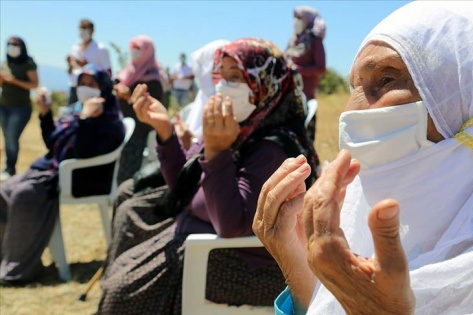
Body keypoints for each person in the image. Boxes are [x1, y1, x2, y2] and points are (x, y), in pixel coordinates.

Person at [253, 1, 473, 314]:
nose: (350, 112)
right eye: (354, 87)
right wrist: (303, 274)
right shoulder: (368, 235)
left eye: (386, 80)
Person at [98, 38, 319, 314]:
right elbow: (187, 186)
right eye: (221, 75)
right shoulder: (240, 126)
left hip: (247, 266)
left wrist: (216, 152)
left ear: (266, 84)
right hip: (204, 238)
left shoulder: (273, 148)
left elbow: (230, 224)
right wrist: (165, 130)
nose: (223, 85)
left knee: (124, 291)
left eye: (235, 76)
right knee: (127, 254)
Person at [0, 64, 124, 285]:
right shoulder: (75, 110)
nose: (85, 88)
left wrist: (87, 121)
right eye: (82, 83)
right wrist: (46, 114)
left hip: (80, 179)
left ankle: (19, 269)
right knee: (3, 190)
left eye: (91, 84)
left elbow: (83, 154)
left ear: (103, 87)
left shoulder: (109, 120)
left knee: (23, 195)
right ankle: (6, 256)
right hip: (53, 171)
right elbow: (53, 143)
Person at [113, 35, 166, 184]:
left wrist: (129, 97)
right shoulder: (127, 73)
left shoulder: (153, 80)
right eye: (133, 48)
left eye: (139, 49)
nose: (134, 52)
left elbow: (149, 110)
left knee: (126, 177)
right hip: (118, 128)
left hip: (138, 133)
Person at [285, 5, 326, 142]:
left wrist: (298, 70)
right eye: (294, 18)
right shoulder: (293, 40)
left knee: (304, 141)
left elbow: (321, 68)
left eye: (299, 18)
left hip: (306, 100)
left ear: (308, 20)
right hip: (288, 97)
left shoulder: (315, 40)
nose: (295, 21)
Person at [0, 37, 39, 181]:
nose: (11, 47)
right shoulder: (6, 62)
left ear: (21, 47)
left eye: (15, 44)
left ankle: (10, 169)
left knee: (11, 138)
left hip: (20, 108)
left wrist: (13, 80)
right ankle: (9, 168)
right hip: (4, 105)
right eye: (9, 44)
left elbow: (34, 84)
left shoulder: (28, 63)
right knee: (6, 138)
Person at [66, 19, 111, 105]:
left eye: (85, 28)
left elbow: (108, 73)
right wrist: (70, 64)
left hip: (91, 89)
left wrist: (86, 65)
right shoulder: (75, 48)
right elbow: (71, 72)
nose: (82, 31)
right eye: (81, 28)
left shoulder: (101, 49)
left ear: (92, 30)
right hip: (75, 87)